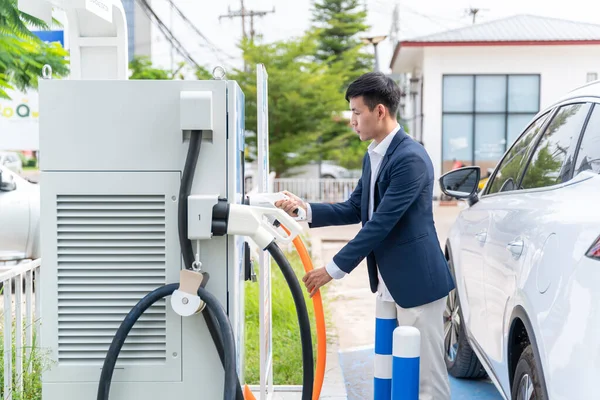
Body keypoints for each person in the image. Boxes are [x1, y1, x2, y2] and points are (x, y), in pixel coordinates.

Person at [275, 72, 455, 400]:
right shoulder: (373, 155)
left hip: (418, 284)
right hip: (389, 281)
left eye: (357, 113)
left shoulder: (410, 159)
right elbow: (356, 207)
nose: (352, 122)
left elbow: (380, 223)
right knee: (389, 369)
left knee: (427, 380)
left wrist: (331, 270)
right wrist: (304, 210)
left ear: (380, 112)